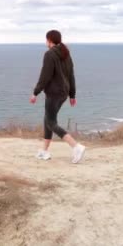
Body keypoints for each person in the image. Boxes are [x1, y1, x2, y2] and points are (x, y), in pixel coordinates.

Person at [29, 30, 86, 163]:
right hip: (63, 93)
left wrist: (35, 92)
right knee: (48, 119)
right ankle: (44, 151)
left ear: (49, 40)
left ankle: (76, 146)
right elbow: (71, 75)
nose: (45, 42)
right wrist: (72, 94)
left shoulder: (50, 54)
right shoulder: (66, 53)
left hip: (54, 93)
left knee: (50, 122)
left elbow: (45, 76)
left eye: (46, 39)